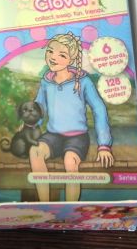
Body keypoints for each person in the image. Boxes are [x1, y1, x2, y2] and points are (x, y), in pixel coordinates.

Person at [29, 31, 113, 202]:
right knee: (35, 152)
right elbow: (40, 107)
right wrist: (31, 124)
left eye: (61, 55)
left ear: (72, 59)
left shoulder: (83, 82)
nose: (53, 57)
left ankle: (70, 207)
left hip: (77, 137)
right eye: (50, 51)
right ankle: (45, 203)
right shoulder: (46, 82)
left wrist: (104, 145)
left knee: (70, 162)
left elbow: (99, 109)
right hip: (53, 136)